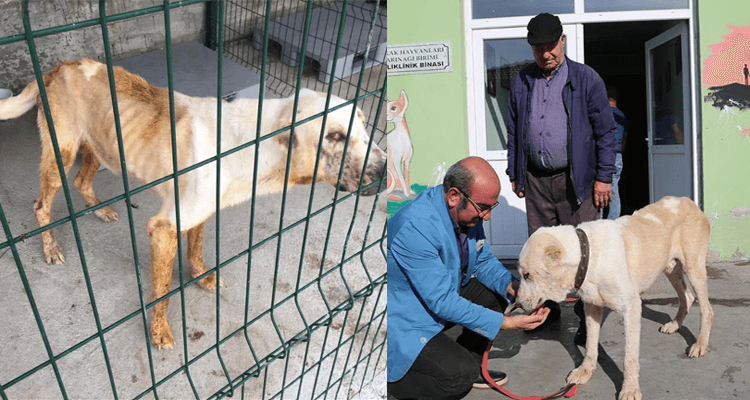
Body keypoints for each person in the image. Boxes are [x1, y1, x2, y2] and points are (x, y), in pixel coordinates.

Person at [387, 156, 551, 400]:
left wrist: (515, 286)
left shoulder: (464, 211)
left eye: (490, 208)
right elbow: (441, 302)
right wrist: (504, 323)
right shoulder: (416, 228)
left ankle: (471, 364)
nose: (487, 217)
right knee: (456, 379)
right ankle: (390, 385)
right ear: (454, 196)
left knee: (498, 293)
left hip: (435, 299)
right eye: (484, 207)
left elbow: (483, 260)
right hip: (405, 320)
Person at [506, 13, 618, 345]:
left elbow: (606, 133)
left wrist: (604, 178)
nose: (545, 54)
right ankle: (548, 312)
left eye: (550, 46)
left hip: (578, 183)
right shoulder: (522, 81)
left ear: (563, 40)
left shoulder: (586, 79)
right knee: (542, 252)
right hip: (536, 181)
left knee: (584, 254)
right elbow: (514, 131)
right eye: (538, 48)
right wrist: (515, 171)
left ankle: (589, 319)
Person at [606, 85, 628, 220]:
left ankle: (603, 220)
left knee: (601, 188)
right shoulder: (621, 115)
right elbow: (625, 137)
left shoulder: (604, 113)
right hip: (617, 154)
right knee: (614, 189)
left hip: (606, 154)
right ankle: (613, 221)